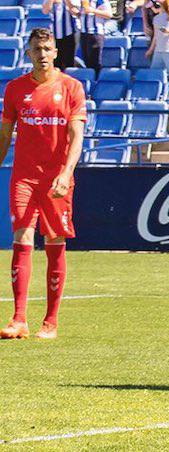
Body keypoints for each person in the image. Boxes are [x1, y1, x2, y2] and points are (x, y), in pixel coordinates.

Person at [0, 28, 87, 340]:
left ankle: (50, 322)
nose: (42, 54)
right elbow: (5, 134)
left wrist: (66, 173)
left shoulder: (72, 88)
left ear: (55, 52)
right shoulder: (15, 89)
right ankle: (18, 319)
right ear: (28, 53)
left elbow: (77, 137)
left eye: (47, 49)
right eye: (36, 49)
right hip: (23, 176)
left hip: (56, 179)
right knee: (21, 237)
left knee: (53, 240)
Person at [42, 0, 81, 71]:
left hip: (71, 31)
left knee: (69, 61)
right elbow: (45, 10)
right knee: (57, 63)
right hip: (55, 32)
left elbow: (75, 10)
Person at [79, 0, 112, 74]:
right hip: (84, 32)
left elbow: (108, 14)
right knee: (87, 61)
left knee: (95, 62)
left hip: (95, 32)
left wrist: (93, 10)